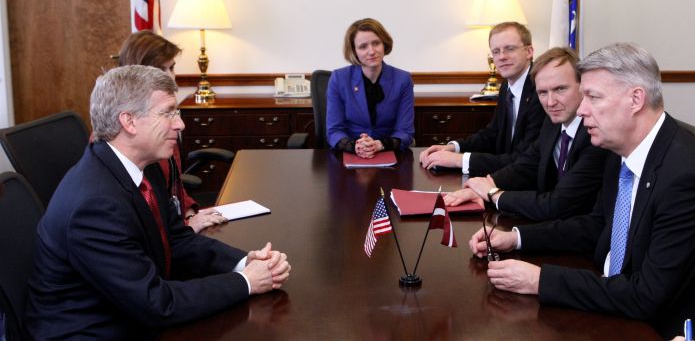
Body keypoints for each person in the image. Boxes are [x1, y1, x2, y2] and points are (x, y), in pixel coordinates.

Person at [469, 43, 695, 338]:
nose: (581, 109)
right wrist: (516, 238)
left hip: (671, 327)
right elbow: (597, 226)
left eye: (593, 97)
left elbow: (647, 297)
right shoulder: (622, 149)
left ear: (635, 99)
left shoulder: (689, 178)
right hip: (618, 298)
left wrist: (541, 280)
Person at [25, 65, 291, 339]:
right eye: (168, 113)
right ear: (129, 122)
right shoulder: (94, 206)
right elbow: (156, 304)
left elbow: (176, 239)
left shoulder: (144, 165)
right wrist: (246, 282)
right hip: (92, 331)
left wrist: (244, 262)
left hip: (129, 310)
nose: (180, 124)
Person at [444, 47, 606, 220]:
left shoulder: (596, 136)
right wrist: (483, 186)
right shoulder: (552, 124)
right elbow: (527, 165)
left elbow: (558, 205)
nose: (550, 102)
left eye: (560, 89)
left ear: (583, 87)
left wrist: (493, 194)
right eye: (542, 92)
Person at [119, 30, 225, 233]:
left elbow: (174, 185)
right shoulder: (123, 135)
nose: (169, 76)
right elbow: (143, 213)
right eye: (160, 69)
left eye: (172, 68)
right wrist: (186, 228)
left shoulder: (164, 122)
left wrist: (189, 214)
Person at [419, 21, 545, 175]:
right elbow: (492, 133)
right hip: (508, 174)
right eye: (496, 51)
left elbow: (523, 159)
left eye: (510, 49)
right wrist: (453, 147)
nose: (502, 57)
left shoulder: (542, 90)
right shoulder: (507, 85)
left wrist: (459, 160)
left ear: (529, 51)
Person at [327, 18, 414, 158]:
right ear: (354, 51)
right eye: (363, 47)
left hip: (388, 152)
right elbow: (334, 131)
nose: (372, 51)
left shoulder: (403, 79)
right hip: (350, 154)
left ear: (384, 44)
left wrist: (380, 144)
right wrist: (355, 146)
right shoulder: (339, 78)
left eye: (376, 43)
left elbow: (405, 131)